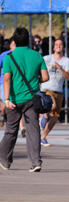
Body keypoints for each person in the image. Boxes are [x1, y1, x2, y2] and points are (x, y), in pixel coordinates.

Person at [0, 27, 49, 172]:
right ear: (28, 40)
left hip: (15, 99)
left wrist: (7, 98)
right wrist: (34, 78)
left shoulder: (10, 56)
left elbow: (7, 78)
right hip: (32, 98)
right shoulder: (37, 56)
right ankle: (36, 162)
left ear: (14, 41)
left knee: (11, 131)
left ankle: (4, 160)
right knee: (33, 130)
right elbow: (46, 77)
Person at [39, 39, 69, 146]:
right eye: (56, 45)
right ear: (53, 47)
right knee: (51, 106)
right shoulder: (46, 58)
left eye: (61, 45)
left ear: (63, 47)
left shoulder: (66, 61)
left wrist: (60, 69)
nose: (58, 46)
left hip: (58, 90)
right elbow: (38, 71)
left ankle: (43, 137)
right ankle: (44, 116)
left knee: (55, 117)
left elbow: (68, 78)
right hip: (46, 88)